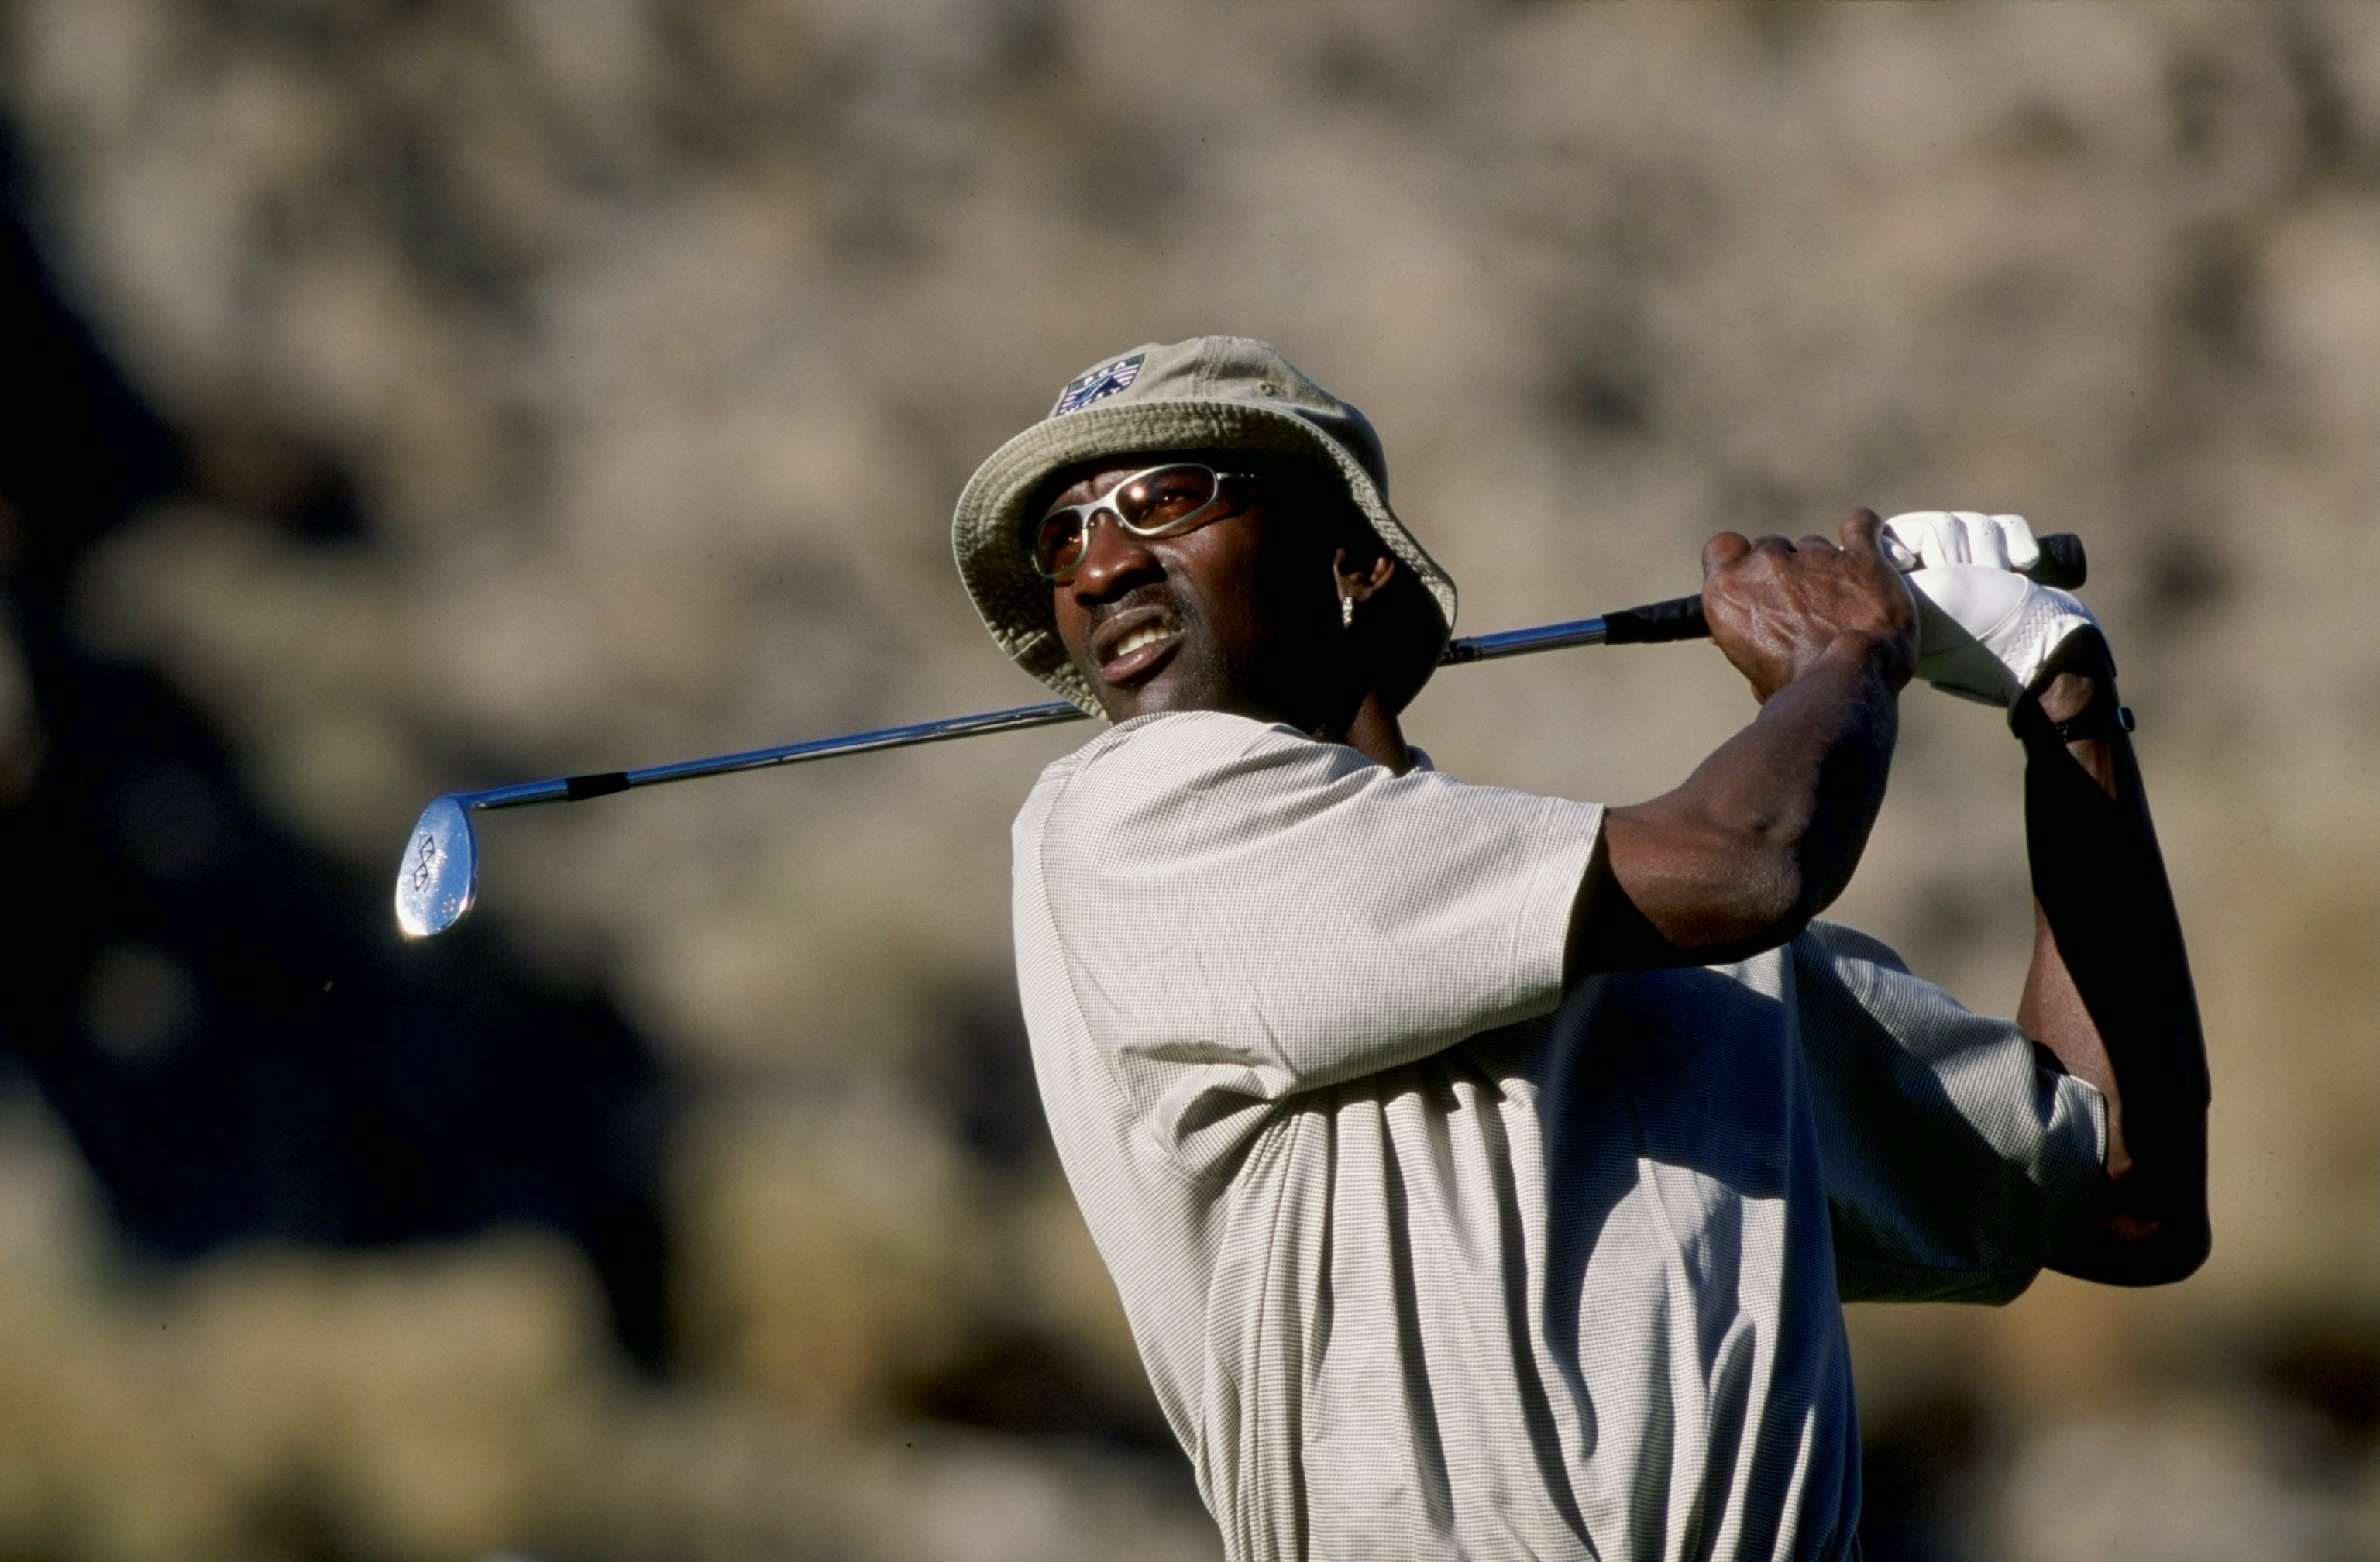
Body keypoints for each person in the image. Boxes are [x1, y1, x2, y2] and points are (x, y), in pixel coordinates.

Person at [950, 336, 2207, 1562]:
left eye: (1163, 500)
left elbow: (2129, 1196)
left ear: (1353, 567)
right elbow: (1752, 860)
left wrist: (2064, 694)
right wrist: (1848, 653)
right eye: (1061, 537)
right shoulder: (1124, 819)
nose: (1098, 566)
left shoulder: (1707, 961)